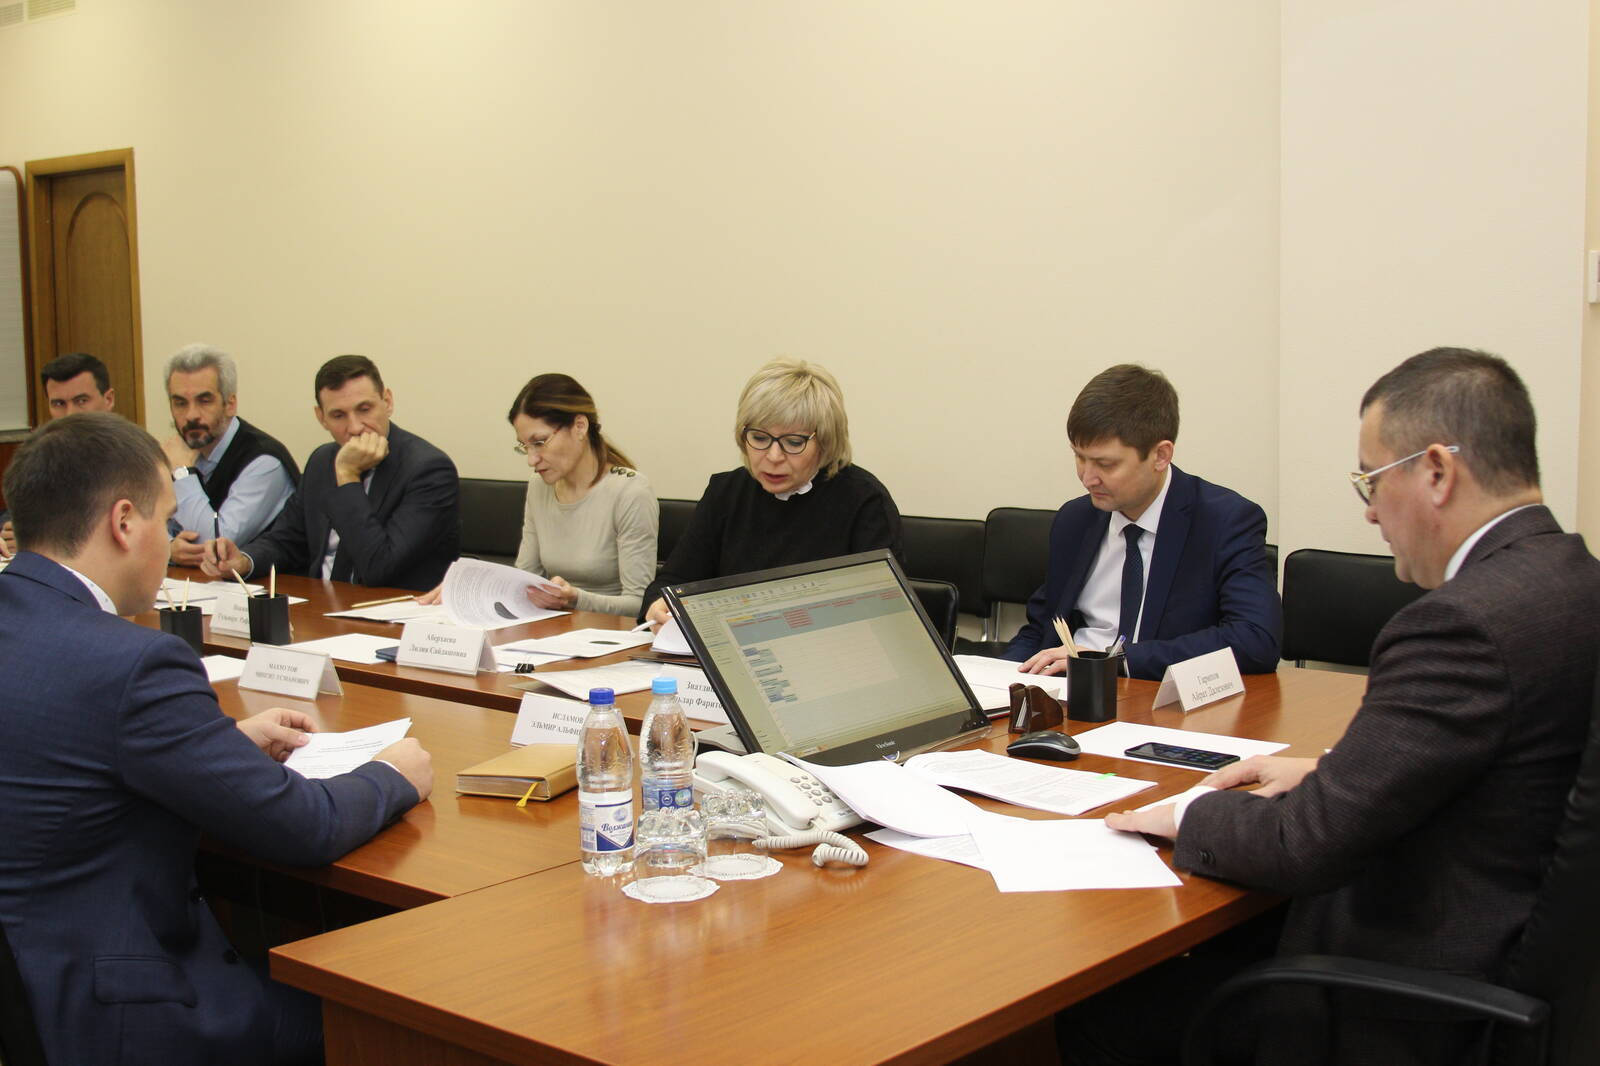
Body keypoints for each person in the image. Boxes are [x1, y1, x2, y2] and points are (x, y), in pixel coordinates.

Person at [1090, 348, 1600, 1065]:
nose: (1369, 511)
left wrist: (1182, 812)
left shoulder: (1459, 625)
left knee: (1107, 1010)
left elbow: (1305, 842)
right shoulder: (1574, 581)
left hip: (1410, 998)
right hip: (1524, 962)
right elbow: (1511, 762)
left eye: (1372, 480)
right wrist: (1332, 769)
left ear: (1436, 471)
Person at [0, 412, 433, 1065]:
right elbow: (304, 826)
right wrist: (393, 774)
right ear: (124, 523)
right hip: (124, 1011)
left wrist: (216, 741)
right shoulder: (132, 663)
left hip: (33, 988)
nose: (171, 538)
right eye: (166, 519)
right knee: (397, 1017)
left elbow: (63, 740)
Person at [1001, 364, 1281, 680]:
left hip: (1157, 693)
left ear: (1160, 456)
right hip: (1069, 693)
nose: (1087, 478)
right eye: (1079, 457)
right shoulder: (1075, 519)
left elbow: (1255, 640)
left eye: (1105, 464)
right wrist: (998, 680)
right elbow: (1042, 630)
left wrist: (1110, 661)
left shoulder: (1224, 521)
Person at [640, 357, 902, 625]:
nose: (773, 456)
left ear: (825, 442)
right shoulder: (726, 492)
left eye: (794, 442)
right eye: (760, 438)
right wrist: (659, 605)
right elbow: (675, 580)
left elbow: (882, 615)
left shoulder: (865, 502)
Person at [203, 355, 460, 591]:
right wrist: (244, 561)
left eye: (365, 409)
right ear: (321, 417)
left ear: (387, 402)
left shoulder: (428, 470)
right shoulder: (322, 461)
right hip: (320, 604)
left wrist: (348, 476)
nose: (355, 427)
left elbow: (379, 567)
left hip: (389, 610)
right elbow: (287, 540)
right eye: (338, 415)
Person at [418, 373, 657, 616]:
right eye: (525, 446)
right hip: (551, 626)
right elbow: (524, 578)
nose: (532, 459)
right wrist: (467, 587)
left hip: (607, 631)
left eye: (540, 442)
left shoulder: (630, 491)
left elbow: (640, 604)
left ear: (579, 427)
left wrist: (574, 599)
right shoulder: (539, 485)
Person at [161, 343, 300, 567]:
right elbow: (146, 529)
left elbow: (215, 544)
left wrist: (182, 474)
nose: (191, 415)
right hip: (199, 582)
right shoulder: (178, 452)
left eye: (204, 401)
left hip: (268, 586)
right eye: (180, 403)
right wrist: (169, 547)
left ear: (230, 404)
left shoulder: (264, 462)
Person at [0, 352, 118, 557]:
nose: (70, 414)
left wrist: (40, 543)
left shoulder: (134, 457)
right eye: (59, 404)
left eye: (81, 400)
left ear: (108, 399)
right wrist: (12, 534)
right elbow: (14, 517)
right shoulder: (39, 458)